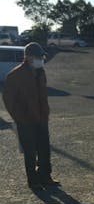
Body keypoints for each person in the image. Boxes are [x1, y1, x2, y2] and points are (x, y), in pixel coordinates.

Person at [2, 42, 59, 190]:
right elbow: (8, 100)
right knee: (30, 151)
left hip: (41, 118)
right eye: (38, 57)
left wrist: (45, 113)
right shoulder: (15, 75)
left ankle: (45, 177)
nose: (41, 60)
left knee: (44, 149)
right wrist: (20, 117)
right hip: (25, 121)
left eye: (42, 57)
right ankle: (33, 181)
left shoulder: (41, 73)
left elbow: (43, 96)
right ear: (28, 58)